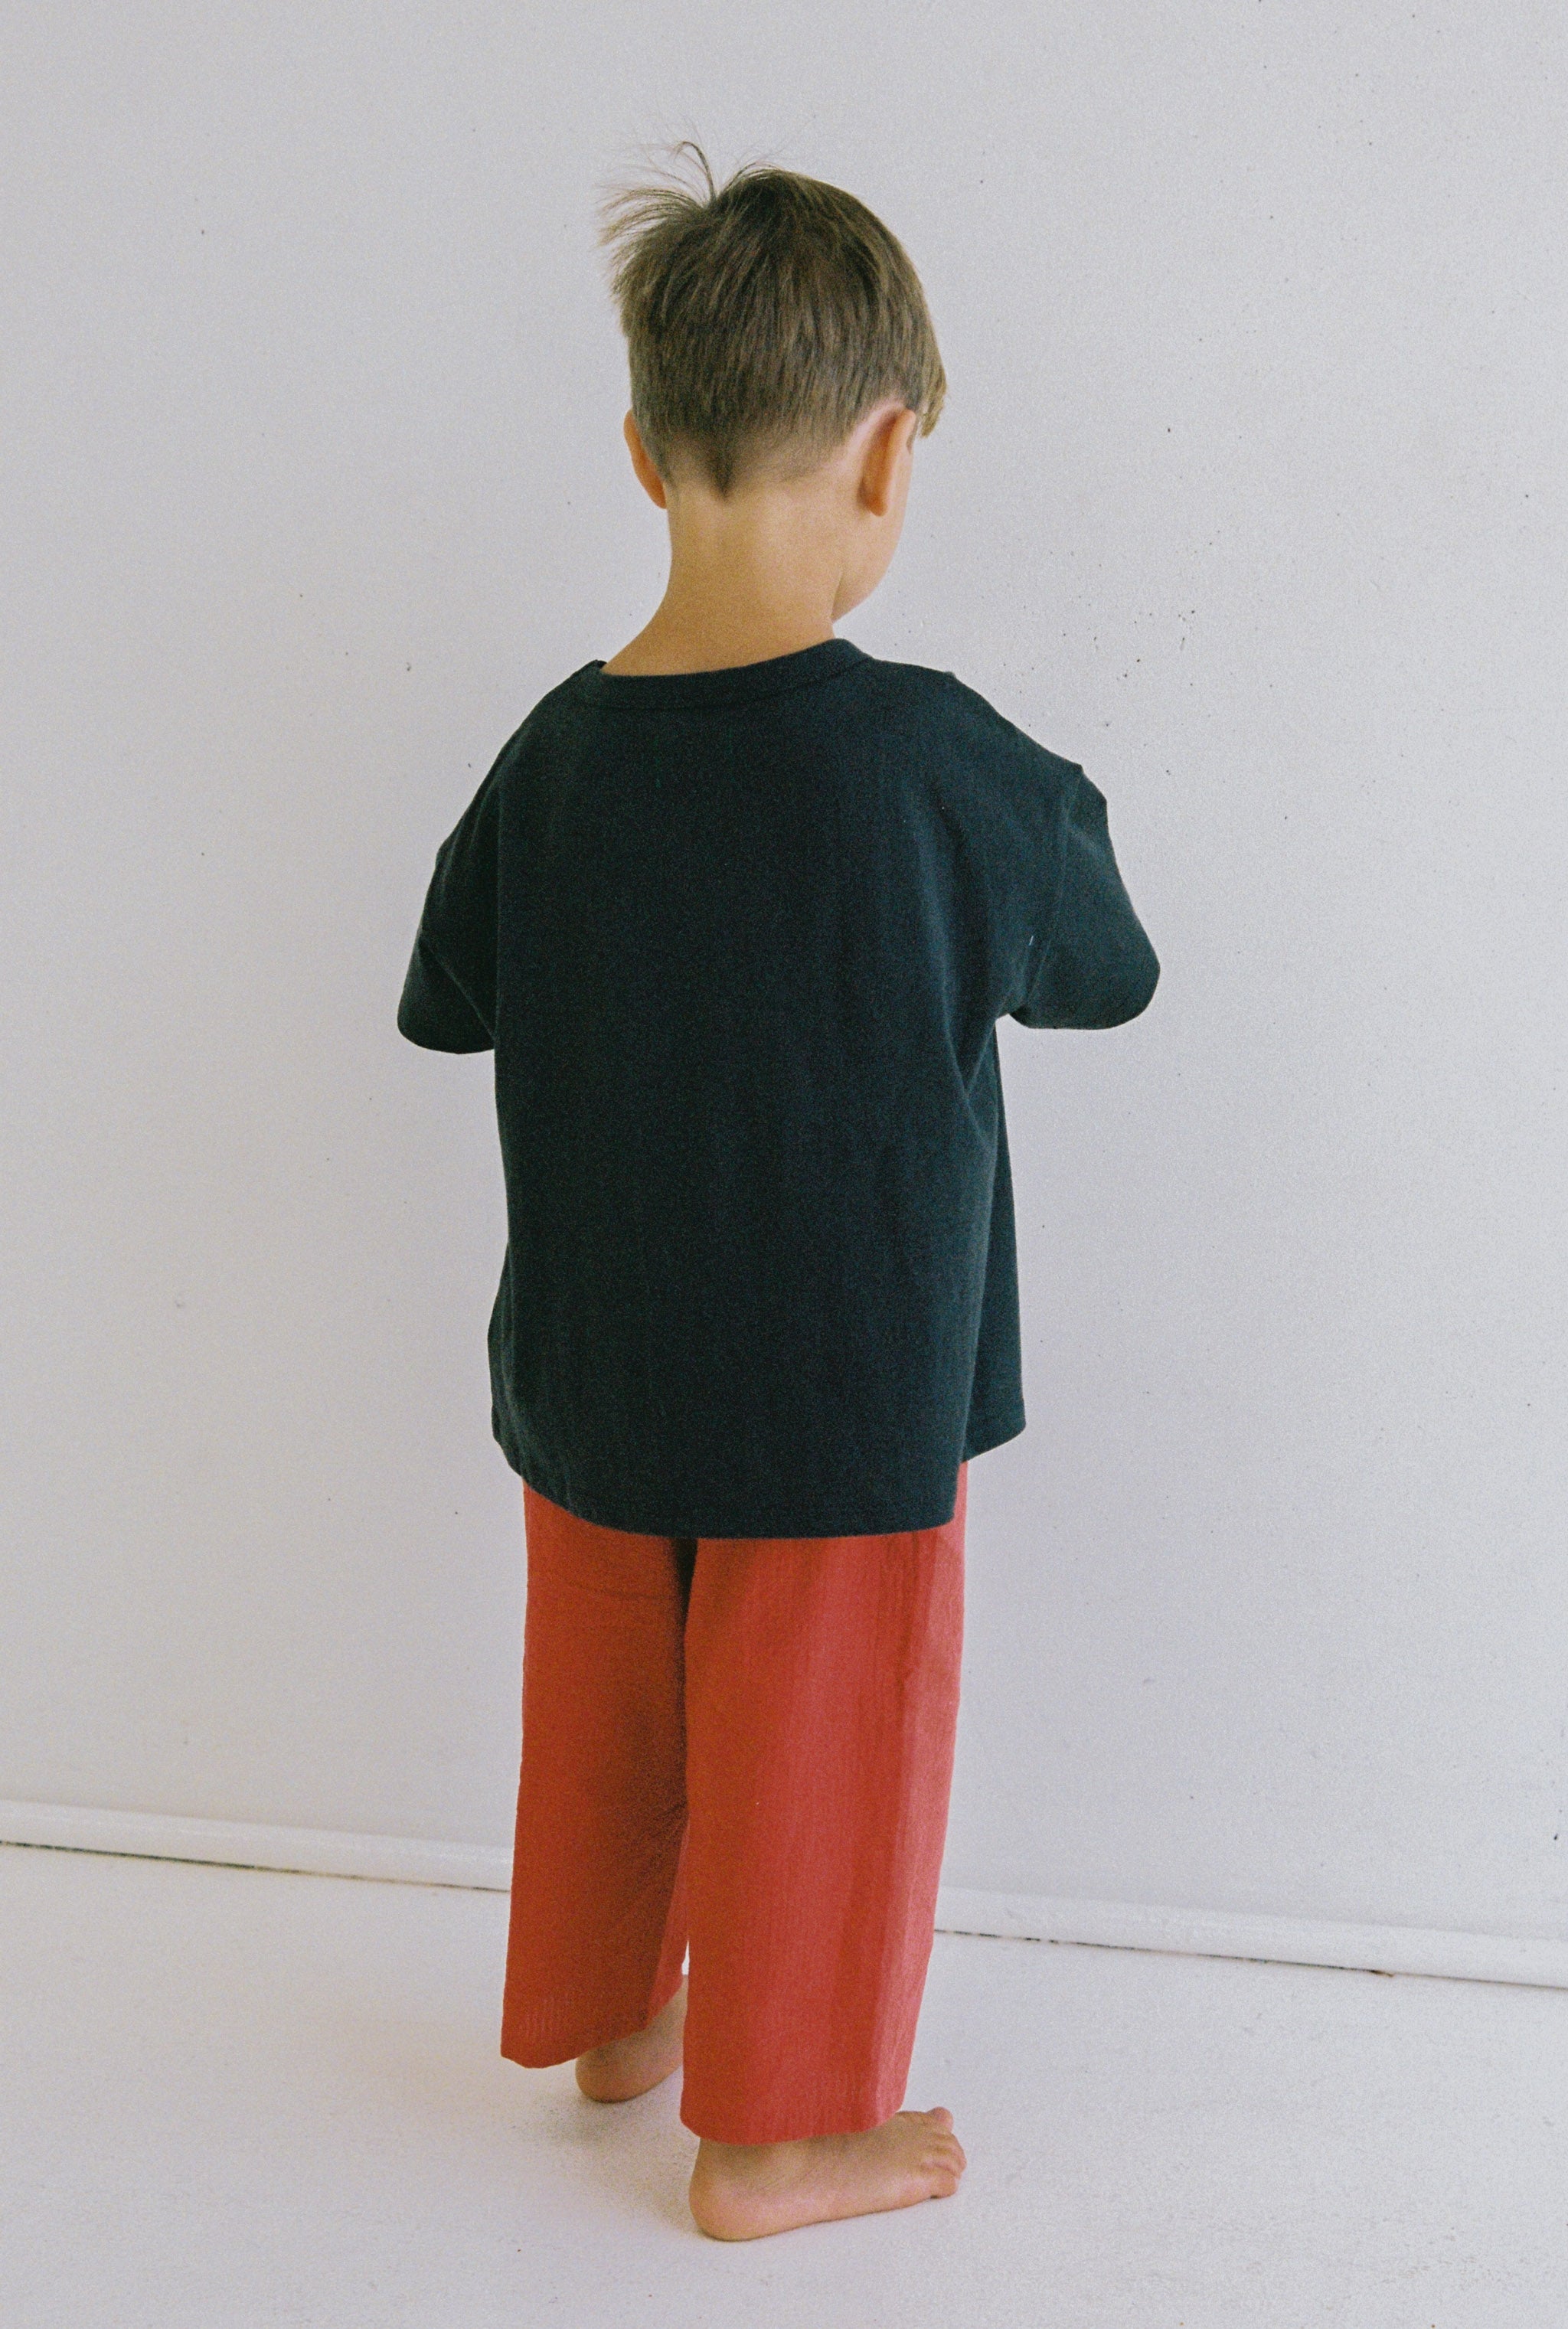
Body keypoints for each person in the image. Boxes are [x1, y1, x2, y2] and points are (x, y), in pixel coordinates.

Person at [396, 142, 1160, 2242]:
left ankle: (615, 2016)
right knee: (828, 1731)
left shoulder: (550, 755)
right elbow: (1110, 961)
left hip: (597, 1363)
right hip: (841, 1392)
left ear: (646, 454)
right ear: (890, 453)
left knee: (608, 1700)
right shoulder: (933, 762)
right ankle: (779, 2128)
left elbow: (445, 997)